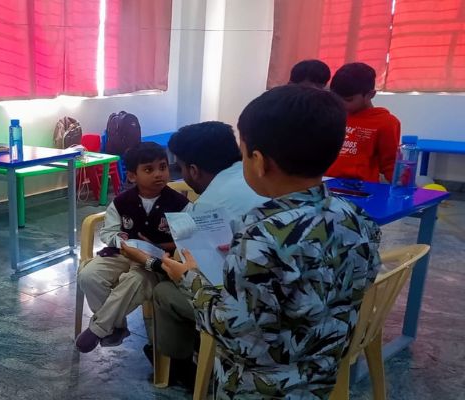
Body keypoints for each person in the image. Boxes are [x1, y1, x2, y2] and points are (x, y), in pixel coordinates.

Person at [159, 85, 382, 398]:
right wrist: (247, 259)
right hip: (320, 376)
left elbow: (238, 336)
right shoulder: (355, 217)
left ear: (259, 161)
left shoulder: (259, 236)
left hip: (259, 388)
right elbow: (355, 279)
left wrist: (190, 280)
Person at [122, 121, 267, 389]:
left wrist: (152, 259)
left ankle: (180, 366)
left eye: (174, 166)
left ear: (193, 170)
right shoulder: (258, 178)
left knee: (165, 291)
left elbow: (194, 269)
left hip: (248, 312)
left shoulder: (208, 206)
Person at [75, 142, 190, 353]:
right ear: (131, 176)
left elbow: (187, 241)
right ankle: (116, 327)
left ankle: (100, 329)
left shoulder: (179, 204)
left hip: (155, 262)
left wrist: (156, 246)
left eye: (163, 167)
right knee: (88, 275)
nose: (158, 174)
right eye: (149, 169)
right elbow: (108, 233)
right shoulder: (121, 202)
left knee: (135, 280)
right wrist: (123, 242)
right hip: (121, 254)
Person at [326, 62, 401, 182]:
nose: (341, 104)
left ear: (370, 95)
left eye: (348, 100)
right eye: (336, 98)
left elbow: (390, 163)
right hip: (326, 183)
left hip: (360, 187)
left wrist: (401, 186)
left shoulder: (386, 123)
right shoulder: (333, 115)